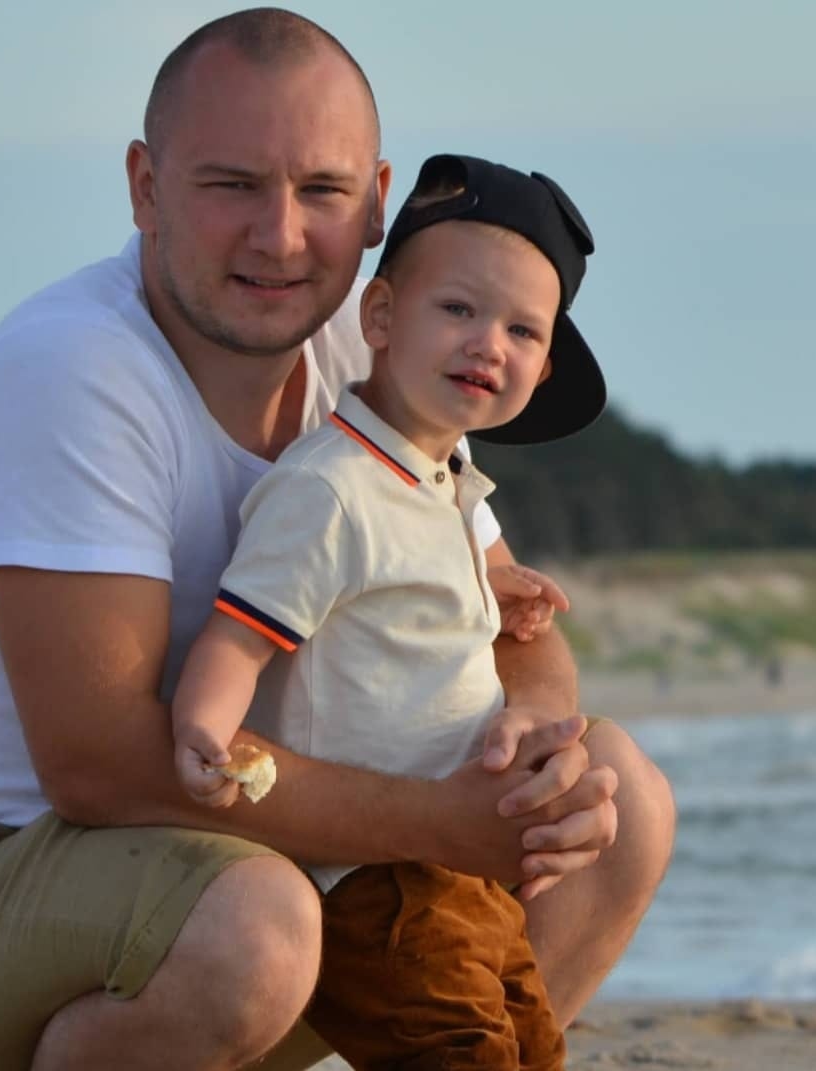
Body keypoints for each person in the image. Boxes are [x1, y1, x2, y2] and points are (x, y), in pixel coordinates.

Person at [0, 9, 674, 1071]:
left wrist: (530, 749)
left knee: (616, 798)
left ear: (375, 203)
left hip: (241, 893)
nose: (279, 236)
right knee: (255, 924)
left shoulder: (373, 347)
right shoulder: (76, 373)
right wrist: (443, 823)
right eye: (232, 185)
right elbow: (98, 767)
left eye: (321, 191)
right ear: (146, 188)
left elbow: (504, 615)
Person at [172, 152, 604, 1071]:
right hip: (369, 877)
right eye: (458, 309)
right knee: (459, 1052)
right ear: (379, 317)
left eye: (521, 330)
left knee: (531, 1046)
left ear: (541, 368)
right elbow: (241, 634)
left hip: (456, 864)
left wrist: (494, 595)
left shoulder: (442, 481)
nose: (488, 343)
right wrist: (206, 730)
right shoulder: (332, 488)